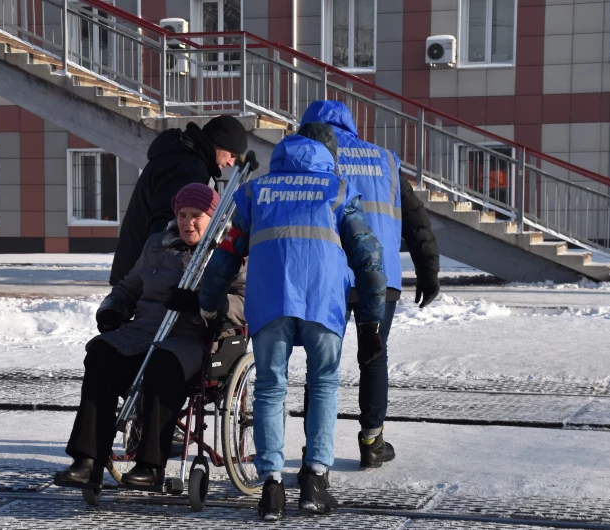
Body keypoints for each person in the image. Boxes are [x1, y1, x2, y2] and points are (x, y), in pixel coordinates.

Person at [198, 123, 388, 521]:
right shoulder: (337, 190)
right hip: (323, 301)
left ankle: (271, 488)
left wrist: (210, 304)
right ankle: (314, 482)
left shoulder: (256, 191)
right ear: (327, 154)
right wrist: (370, 326)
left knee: (270, 389)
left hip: (270, 301)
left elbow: (226, 253)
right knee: (323, 385)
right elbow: (370, 261)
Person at [59, 183, 246, 487]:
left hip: (193, 336)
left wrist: (203, 303)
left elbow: (244, 301)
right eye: (183, 215)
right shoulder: (158, 244)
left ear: (213, 217)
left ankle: (151, 465)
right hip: (143, 330)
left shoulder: (228, 251)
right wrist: (113, 308)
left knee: (163, 363)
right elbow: (129, 286)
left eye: (197, 215)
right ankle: (87, 459)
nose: (188, 222)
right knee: (100, 354)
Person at [300, 100, 440, 469]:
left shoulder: (307, 158)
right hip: (380, 278)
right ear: (349, 125)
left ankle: (315, 446)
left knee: (321, 361)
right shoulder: (385, 161)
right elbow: (416, 220)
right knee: (374, 357)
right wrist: (428, 272)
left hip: (327, 274)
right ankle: (371, 442)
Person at [110, 115, 249, 287]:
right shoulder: (188, 167)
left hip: (141, 269)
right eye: (232, 154)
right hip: (150, 275)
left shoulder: (182, 157)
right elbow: (166, 225)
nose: (231, 163)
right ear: (218, 143)